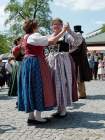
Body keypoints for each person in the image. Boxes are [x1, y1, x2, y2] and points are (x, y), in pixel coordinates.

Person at [18, 19, 68, 125]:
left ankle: (31, 116)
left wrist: (57, 31)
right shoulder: (34, 36)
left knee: (30, 87)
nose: (39, 27)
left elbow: (48, 37)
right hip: (35, 63)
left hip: (28, 63)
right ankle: (38, 117)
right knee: (39, 86)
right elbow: (51, 41)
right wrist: (63, 31)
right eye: (37, 26)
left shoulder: (27, 36)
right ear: (34, 27)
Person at [47, 18, 83, 118]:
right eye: (54, 24)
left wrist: (70, 30)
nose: (56, 26)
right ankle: (58, 107)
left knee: (62, 83)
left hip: (62, 61)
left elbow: (78, 42)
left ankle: (63, 109)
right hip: (52, 62)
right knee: (54, 84)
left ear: (62, 25)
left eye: (58, 24)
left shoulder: (66, 35)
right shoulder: (50, 36)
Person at [70, 25, 91, 99]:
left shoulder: (79, 40)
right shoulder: (83, 39)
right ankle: (82, 93)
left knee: (79, 78)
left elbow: (76, 50)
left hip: (77, 61)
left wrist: (69, 52)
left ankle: (81, 94)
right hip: (81, 60)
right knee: (80, 77)